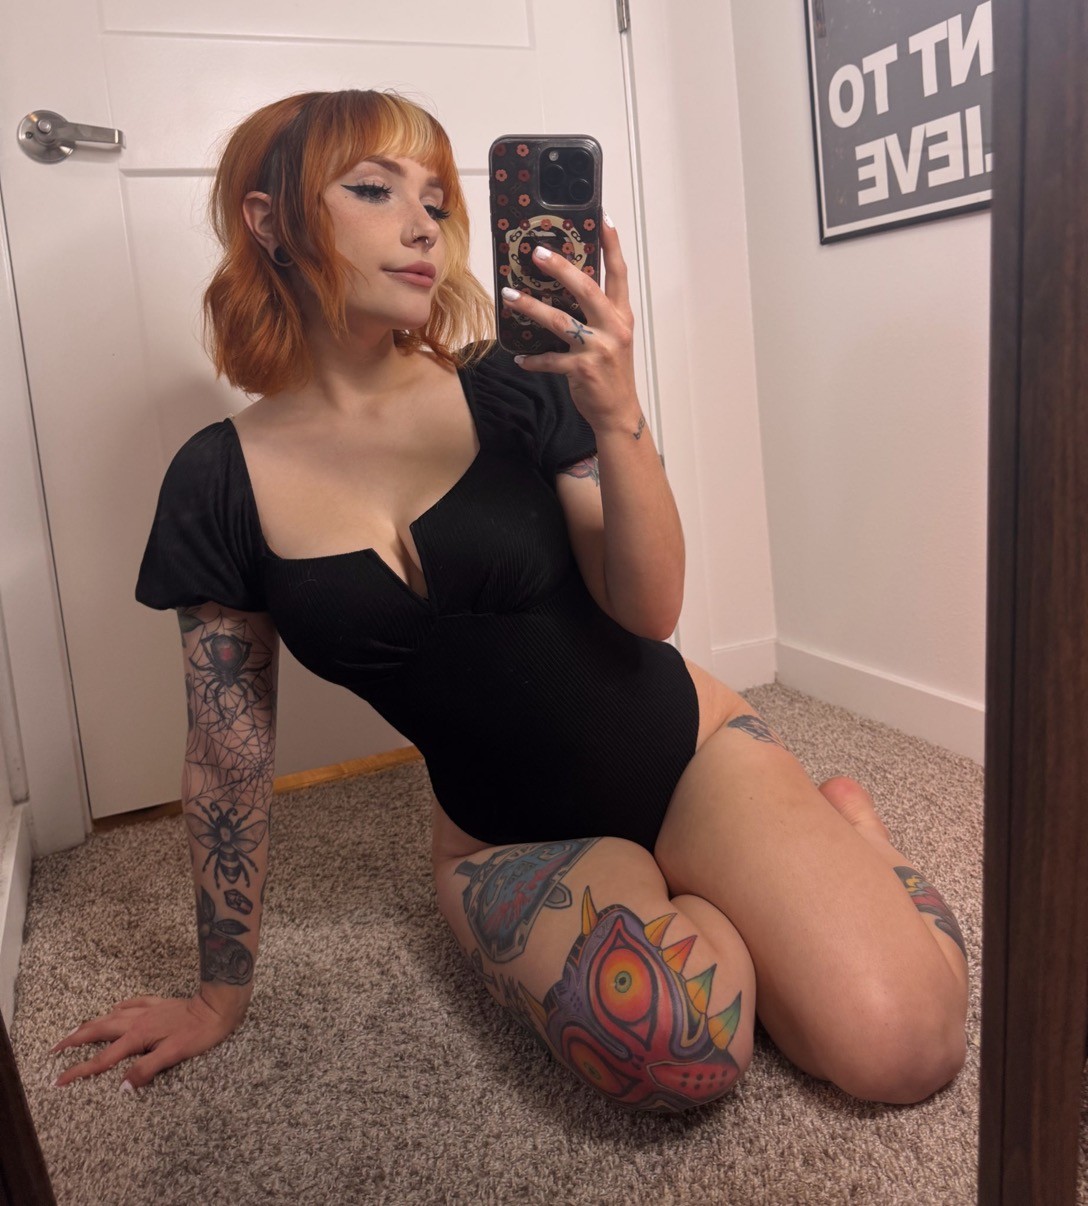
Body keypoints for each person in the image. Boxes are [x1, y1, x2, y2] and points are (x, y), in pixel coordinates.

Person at [50, 89, 968, 1111]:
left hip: (689, 757)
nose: (422, 227)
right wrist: (217, 997)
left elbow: (649, 609)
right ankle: (730, 887)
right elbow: (228, 752)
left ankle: (846, 833)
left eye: (436, 200)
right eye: (374, 190)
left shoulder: (516, 381)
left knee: (905, 1049)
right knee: (681, 1051)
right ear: (268, 221)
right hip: (511, 843)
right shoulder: (216, 482)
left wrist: (616, 416)